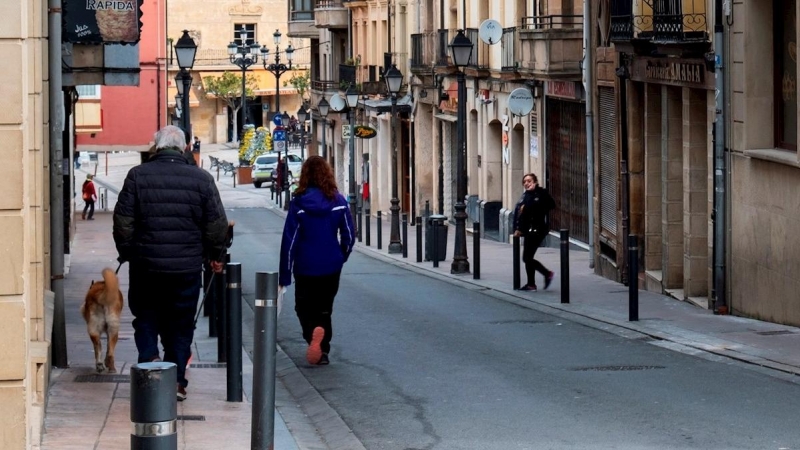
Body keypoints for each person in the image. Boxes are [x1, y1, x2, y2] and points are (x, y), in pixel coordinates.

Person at [113, 125, 229, 401]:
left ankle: (150, 363)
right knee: (181, 324)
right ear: (185, 147)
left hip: (146, 267)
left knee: (146, 318)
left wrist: (129, 252)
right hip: (186, 268)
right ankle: (176, 381)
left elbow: (123, 222)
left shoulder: (137, 176)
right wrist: (216, 255)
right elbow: (216, 224)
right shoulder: (202, 180)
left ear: (156, 146)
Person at [279, 155, 354, 365]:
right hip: (331, 264)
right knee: (324, 307)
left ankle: (313, 334)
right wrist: (341, 255)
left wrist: (285, 273)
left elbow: (290, 240)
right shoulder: (338, 201)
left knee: (303, 307)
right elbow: (349, 234)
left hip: (305, 265)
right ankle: (323, 349)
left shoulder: (299, 204)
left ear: (305, 176)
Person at [513, 173, 556, 292]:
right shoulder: (525, 195)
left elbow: (551, 205)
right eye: (524, 182)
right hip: (528, 230)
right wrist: (517, 229)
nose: (527, 183)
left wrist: (535, 194)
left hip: (538, 230)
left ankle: (546, 274)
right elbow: (520, 213)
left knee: (527, 257)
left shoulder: (541, 193)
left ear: (535, 182)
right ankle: (531, 284)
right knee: (528, 257)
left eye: (529, 181)